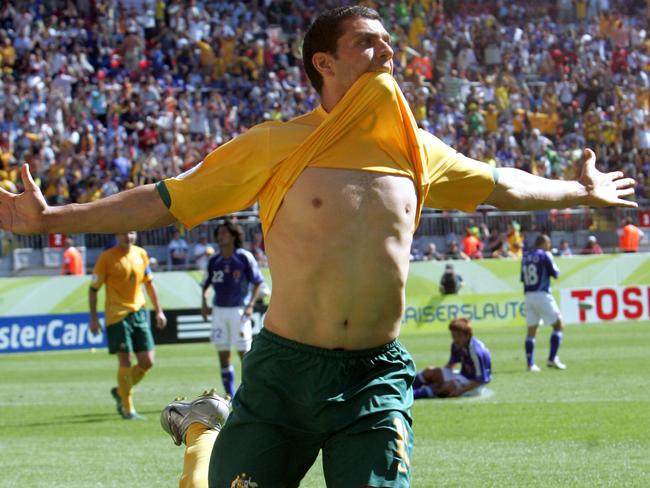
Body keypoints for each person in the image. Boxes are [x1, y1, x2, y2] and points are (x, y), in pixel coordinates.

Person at [0, 6, 637, 486]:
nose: (387, 49)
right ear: (323, 64)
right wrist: (53, 216)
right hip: (282, 375)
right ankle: (202, 428)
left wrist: (578, 191)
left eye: (388, 39)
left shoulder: (418, 150)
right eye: (367, 41)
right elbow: (166, 199)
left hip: (375, 377)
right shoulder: (275, 144)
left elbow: (502, 184)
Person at [89, 231, 167, 419]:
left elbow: (149, 284)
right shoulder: (106, 258)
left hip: (139, 312)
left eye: (132, 232)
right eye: (124, 232)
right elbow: (93, 290)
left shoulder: (141, 254)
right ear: (117, 234)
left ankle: (120, 391)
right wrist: (93, 318)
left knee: (147, 361)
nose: (128, 236)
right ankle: (128, 408)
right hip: (117, 315)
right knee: (125, 360)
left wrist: (159, 310)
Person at [201, 221, 265, 398]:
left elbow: (258, 282)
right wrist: (204, 302)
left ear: (233, 236)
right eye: (219, 233)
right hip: (219, 312)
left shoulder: (244, 257)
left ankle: (250, 393)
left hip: (239, 311)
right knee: (223, 355)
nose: (220, 236)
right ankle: (230, 395)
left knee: (245, 355)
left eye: (224, 233)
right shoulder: (214, 259)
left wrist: (251, 305)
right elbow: (206, 284)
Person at [412, 318, 491, 399]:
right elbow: (451, 365)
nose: (455, 339)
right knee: (430, 371)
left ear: (467, 335)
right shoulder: (456, 344)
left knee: (447, 387)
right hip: (462, 376)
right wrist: (438, 376)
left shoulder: (477, 352)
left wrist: (460, 390)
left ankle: (412, 395)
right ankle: (406, 386)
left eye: (458, 336)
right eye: (453, 336)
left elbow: (481, 380)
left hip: (475, 386)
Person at [521, 234, 566, 373]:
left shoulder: (525, 257)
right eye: (549, 243)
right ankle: (552, 358)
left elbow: (523, 278)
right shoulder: (545, 255)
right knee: (558, 325)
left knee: (531, 331)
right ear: (544, 243)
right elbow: (556, 273)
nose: (550, 246)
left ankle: (530, 364)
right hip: (542, 294)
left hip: (528, 296)